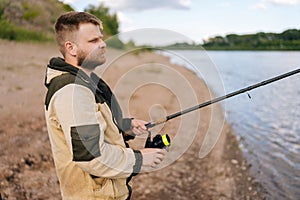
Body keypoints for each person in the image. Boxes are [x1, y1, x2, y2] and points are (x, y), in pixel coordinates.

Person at [44, 11, 166, 200]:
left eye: (101, 38)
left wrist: (125, 127)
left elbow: (91, 124)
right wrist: (140, 159)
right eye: (93, 41)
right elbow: (90, 157)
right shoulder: (73, 91)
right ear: (71, 48)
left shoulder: (85, 83)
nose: (103, 44)